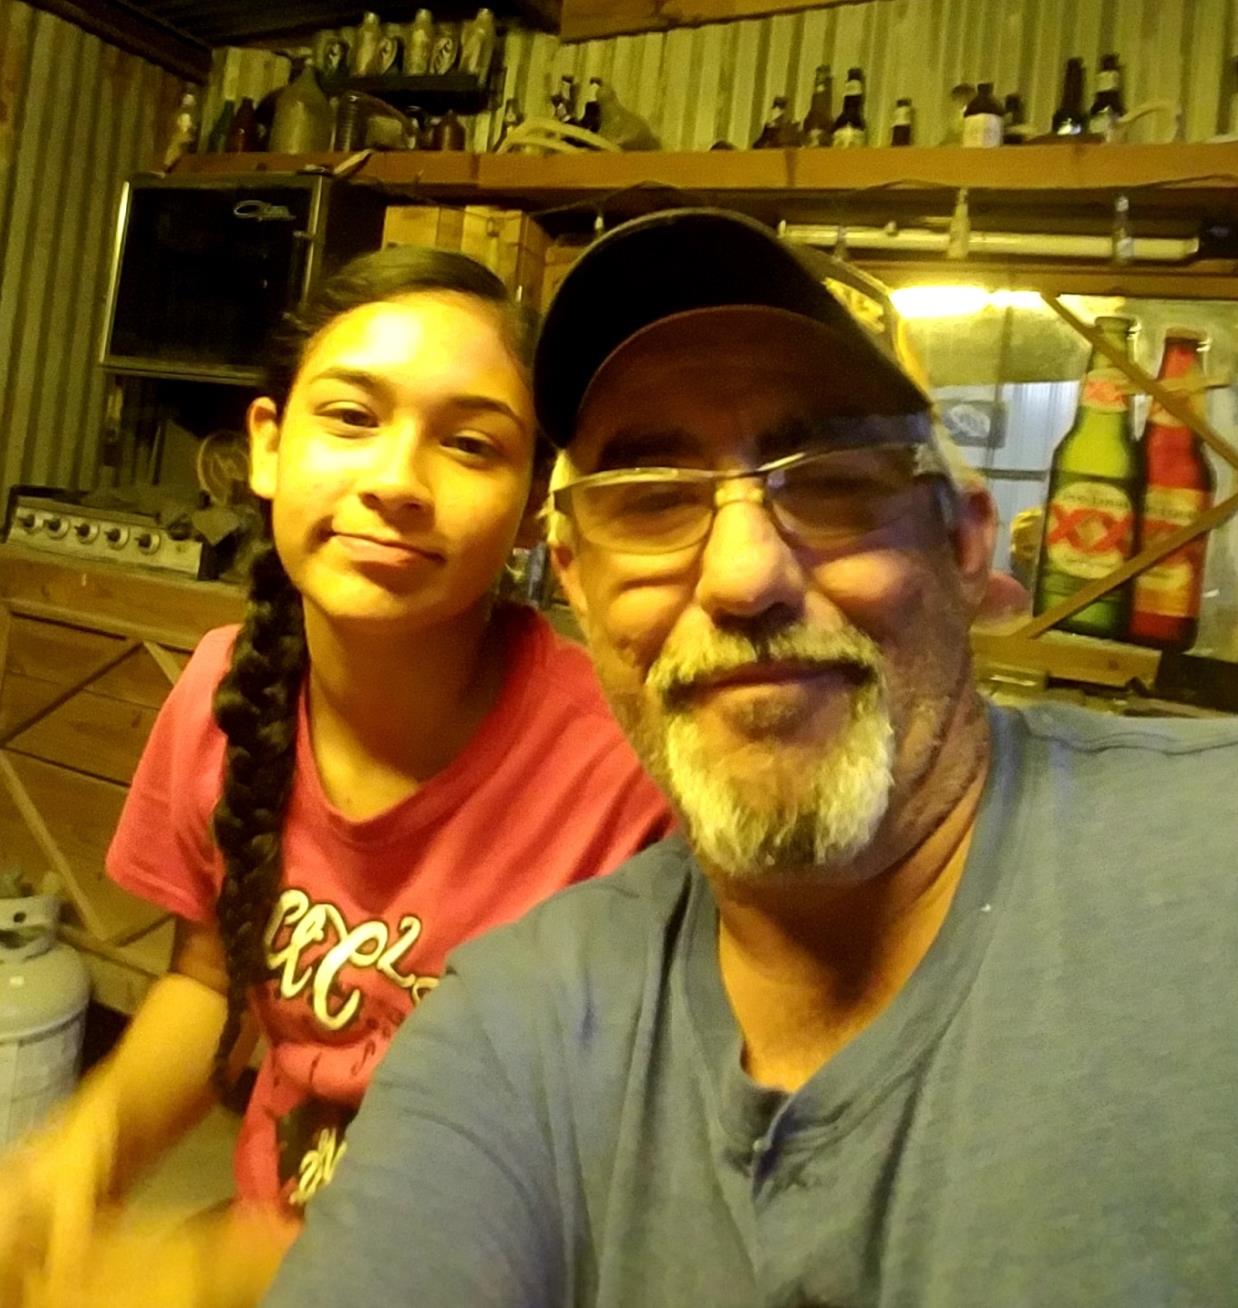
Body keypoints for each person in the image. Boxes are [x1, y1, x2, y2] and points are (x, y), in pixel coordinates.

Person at [263, 210, 1238, 1308]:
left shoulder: (1211, 862)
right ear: (577, 583)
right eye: (651, 500)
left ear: (965, 544)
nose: (741, 577)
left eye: (832, 481)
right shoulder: (516, 1020)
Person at [0, 244, 671, 1306]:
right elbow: (210, 984)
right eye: (352, 417)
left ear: (532, 504)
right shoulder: (222, 693)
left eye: (469, 443)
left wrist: (208, 1278)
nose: (396, 482)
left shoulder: (626, 776)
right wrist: (94, 1143)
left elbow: (613, 1187)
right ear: (268, 447)